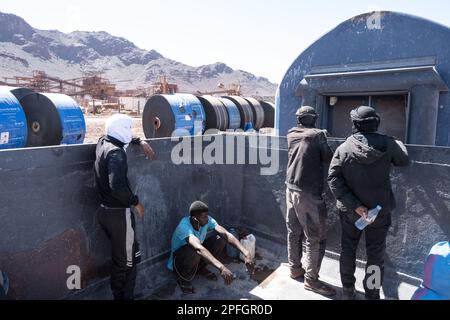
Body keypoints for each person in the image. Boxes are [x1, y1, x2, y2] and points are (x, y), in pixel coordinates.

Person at [328, 106, 409, 300]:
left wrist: (355, 205)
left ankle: (348, 290)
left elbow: (333, 179)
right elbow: (404, 160)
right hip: (378, 212)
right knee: (375, 255)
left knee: (348, 250)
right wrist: (396, 142)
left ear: (355, 124)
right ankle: (372, 294)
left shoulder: (344, 148)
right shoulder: (389, 144)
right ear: (376, 122)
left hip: (351, 212)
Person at [94, 114, 155, 300]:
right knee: (127, 263)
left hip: (105, 212)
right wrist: (136, 202)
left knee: (122, 258)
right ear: (119, 130)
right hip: (119, 215)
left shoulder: (103, 142)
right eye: (127, 128)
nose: (129, 132)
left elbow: (123, 140)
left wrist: (139, 140)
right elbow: (117, 187)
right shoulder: (116, 153)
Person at [285, 106, 336, 297]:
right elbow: (329, 157)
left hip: (290, 188)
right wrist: (323, 136)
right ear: (313, 119)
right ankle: (311, 281)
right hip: (307, 193)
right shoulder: (316, 135)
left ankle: (295, 268)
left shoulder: (291, 133)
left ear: (299, 119)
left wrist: (319, 135)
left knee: (293, 232)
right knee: (315, 238)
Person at [167, 201, 255, 293]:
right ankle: (183, 279)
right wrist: (222, 268)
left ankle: (200, 268)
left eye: (207, 215)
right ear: (195, 219)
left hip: (196, 252)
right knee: (194, 252)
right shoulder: (184, 227)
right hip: (179, 261)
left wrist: (246, 252)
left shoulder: (208, 220)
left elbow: (225, 234)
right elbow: (199, 249)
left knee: (220, 239)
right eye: (204, 217)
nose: (207, 219)